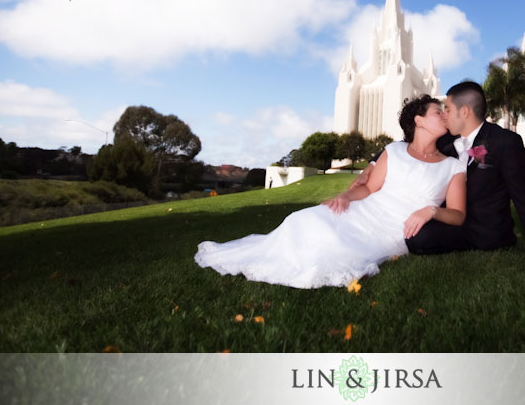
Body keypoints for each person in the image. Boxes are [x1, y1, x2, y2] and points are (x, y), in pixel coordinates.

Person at [194, 95, 467, 289]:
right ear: (419, 120)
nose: (444, 115)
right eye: (437, 112)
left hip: (393, 229)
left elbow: (457, 215)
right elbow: (370, 188)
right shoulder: (394, 151)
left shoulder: (453, 166)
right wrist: (346, 197)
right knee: (303, 220)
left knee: (333, 245)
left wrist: (431, 210)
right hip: (365, 211)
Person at [354, 81, 525, 254]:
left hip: (486, 231)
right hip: (450, 221)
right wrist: (372, 164)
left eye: (447, 110)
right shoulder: (445, 139)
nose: (444, 116)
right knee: (415, 236)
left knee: (419, 238)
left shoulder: (505, 141)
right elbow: (407, 145)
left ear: (464, 111)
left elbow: (523, 197)